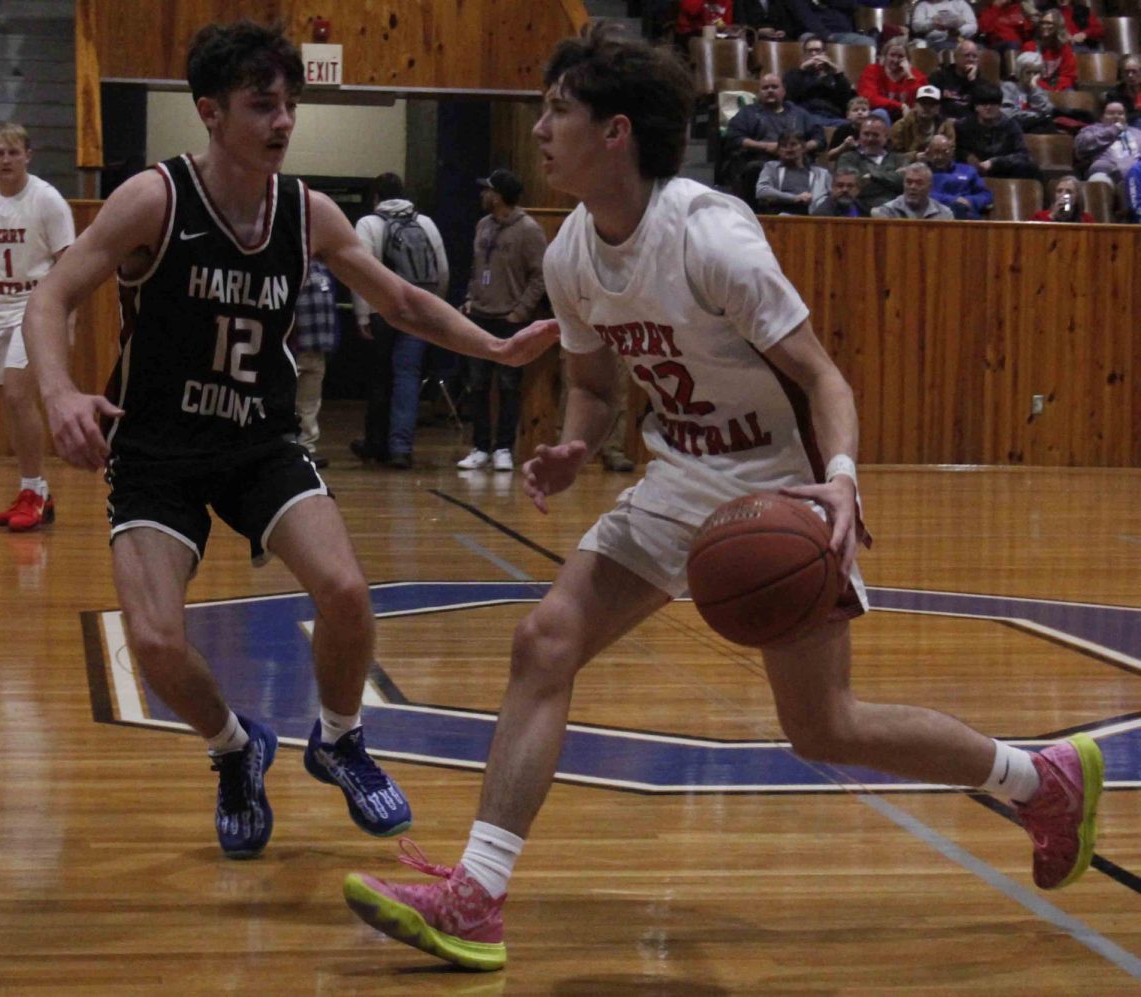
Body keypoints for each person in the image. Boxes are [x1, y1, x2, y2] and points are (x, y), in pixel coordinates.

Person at [343, 25, 1104, 972]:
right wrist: (576, 442)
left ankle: (1039, 777)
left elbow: (823, 379)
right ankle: (477, 895)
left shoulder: (712, 239)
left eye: (557, 111)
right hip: (677, 481)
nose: (538, 128)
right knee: (545, 639)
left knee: (824, 726)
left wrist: (840, 480)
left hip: (779, 492)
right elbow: (594, 385)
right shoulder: (572, 253)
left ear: (616, 131)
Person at [21, 21, 557, 861]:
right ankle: (235, 746)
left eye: (290, 105)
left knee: (346, 590)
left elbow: (403, 302)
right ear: (209, 112)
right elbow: (49, 298)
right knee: (156, 640)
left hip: (260, 440)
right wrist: (59, 392)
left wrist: (492, 347)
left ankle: (338, 738)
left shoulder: (307, 211)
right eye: (261, 104)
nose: (282, 121)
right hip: (157, 449)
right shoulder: (155, 200)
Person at [0, 123, 75, 531]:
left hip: (38, 303)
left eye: (13, 152)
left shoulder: (47, 201)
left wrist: (66, 321)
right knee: (11, 400)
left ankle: (33, 492)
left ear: (28, 155)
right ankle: (37, 488)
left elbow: (71, 266)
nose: (6, 160)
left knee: (20, 395)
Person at [350, 171, 449, 470]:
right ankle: (401, 449)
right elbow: (442, 270)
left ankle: (375, 444)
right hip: (417, 314)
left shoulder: (369, 224)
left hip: (383, 310)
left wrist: (362, 313)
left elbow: (359, 272)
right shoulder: (426, 223)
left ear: (376, 197)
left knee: (380, 378)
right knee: (408, 376)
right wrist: (435, 307)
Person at [454, 168, 548, 473]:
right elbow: (475, 267)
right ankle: (480, 446)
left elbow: (539, 275)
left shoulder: (529, 230)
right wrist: (470, 298)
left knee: (508, 385)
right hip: (479, 315)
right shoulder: (482, 225)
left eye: (488, 190)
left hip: (509, 318)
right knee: (477, 385)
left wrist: (519, 312)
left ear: (499, 196)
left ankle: (504, 447)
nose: (483, 195)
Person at [723, 73, 824, 205]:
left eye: (774, 87)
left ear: (783, 91)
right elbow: (734, 137)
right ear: (759, 92)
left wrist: (799, 149)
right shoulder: (748, 113)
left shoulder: (800, 113)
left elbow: (819, 139)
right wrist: (765, 146)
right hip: (761, 161)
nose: (770, 90)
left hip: (799, 163)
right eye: (765, 88)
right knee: (752, 169)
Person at [291, 259, 338, 469]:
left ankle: (307, 449)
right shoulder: (290, 266)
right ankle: (285, 447)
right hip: (294, 349)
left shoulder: (323, 269)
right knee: (285, 400)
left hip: (317, 349)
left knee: (310, 403)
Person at [955, 83, 1043, 180]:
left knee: (1030, 168)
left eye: (993, 103)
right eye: (984, 103)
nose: (988, 107)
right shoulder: (964, 126)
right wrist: (967, 157)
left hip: (1003, 171)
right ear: (976, 107)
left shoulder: (1011, 125)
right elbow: (958, 150)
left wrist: (994, 163)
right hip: (971, 172)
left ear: (1000, 105)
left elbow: (1022, 155)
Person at [837, 114, 908, 211]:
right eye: (866, 134)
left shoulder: (899, 159)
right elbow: (853, 187)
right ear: (860, 135)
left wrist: (871, 176)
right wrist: (892, 179)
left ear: (886, 136)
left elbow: (904, 184)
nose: (870, 139)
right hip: (859, 211)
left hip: (895, 211)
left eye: (875, 135)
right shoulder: (847, 158)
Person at [782, 35, 857, 128]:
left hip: (833, 117)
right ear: (804, 55)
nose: (814, 54)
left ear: (824, 54)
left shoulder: (835, 75)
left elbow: (846, 100)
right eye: (810, 51)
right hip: (806, 117)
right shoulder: (794, 74)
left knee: (850, 127)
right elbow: (788, 98)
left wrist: (836, 72)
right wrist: (802, 70)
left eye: (818, 50)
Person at [755, 131, 831, 214]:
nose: (788, 149)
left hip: (813, 218)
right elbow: (761, 191)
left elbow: (832, 197)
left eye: (793, 144)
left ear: (803, 148)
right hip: (779, 216)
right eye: (784, 146)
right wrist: (795, 198)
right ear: (779, 150)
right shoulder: (771, 167)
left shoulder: (821, 173)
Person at [857, 38, 927, 123]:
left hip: (907, 120)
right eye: (892, 55)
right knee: (880, 113)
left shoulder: (917, 76)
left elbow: (920, 103)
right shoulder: (872, 70)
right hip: (878, 119)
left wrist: (909, 76)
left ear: (908, 59)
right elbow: (870, 99)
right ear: (885, 56)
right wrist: (900, 106)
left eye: (900, 56)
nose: (895, 60)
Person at [924, 133, 994, 218]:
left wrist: (970, 201)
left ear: (952, 151)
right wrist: (953, 200)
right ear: (928, 152)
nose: (940, 157)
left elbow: (986, 195)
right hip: (935, 217)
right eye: (936, 152)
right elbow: (922, 194)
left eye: (945, 152)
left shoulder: (968, 171)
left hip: (966, 216)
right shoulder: (923, 172)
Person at [1075, 100, 1141, 188]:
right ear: (1102, 117)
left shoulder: (1137, 133)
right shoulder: (1092, 130)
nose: (1116, 116)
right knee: (1097, 180)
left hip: (1136, 174)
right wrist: (1113, 130)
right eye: (1111, 113)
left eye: (1120, 113)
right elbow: (1081, 145)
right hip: (1105, 173)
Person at [890, 84, 955, 160]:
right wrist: (914, 157)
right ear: (915, 105)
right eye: (923, 103)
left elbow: (951, 151)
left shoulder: (946, 126)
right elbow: (893, 157)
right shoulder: (900, 126)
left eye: (931, 104)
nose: (927, 108)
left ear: (938, 108)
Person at [928, 39, 987, 120]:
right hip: (945, 122)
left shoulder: (981, 82)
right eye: (967, 55)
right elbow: (929, 103)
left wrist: (973, 80)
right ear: (956, 57)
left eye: (974, 56)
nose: (971, 59)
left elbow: (984, 107)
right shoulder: (939, 77)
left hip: (970, 125)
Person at [871, 161, 954, 218]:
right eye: (909, 182)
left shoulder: (944, 214)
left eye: (919, 183)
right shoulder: (888, 211)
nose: (913, 187)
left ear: (930, 187)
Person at [1000, 51, 1056, 134]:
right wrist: (1033, 115)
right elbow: (1007, 113)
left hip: (1036, 126)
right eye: (1028, 72)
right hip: (1016, 127)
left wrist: (1034, 89)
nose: (1032, 77)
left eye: (1036, 73)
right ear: (1020, 72)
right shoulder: (1009, 87)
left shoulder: (1038, 90)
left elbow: (1048, 111)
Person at [1023, 11, 1077, 91]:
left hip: (1058, 88)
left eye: (1049, 23)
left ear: (1058, 26)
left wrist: (1058, 89)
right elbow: (1029, 76)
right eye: (1042, 23)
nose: (1044, 26)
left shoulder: (1065, 49)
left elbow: (1068, 75)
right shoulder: (1030, 47)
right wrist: (1048, 90)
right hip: (1037, 87)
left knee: (1070, 91)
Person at [909, 0, 977, 51]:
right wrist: (933, 24)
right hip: (933, 41)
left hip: (959, 39)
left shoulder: (960, 3)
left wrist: (959, 31)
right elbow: (916, 26)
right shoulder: (923, 6)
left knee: (976, 48)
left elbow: (973, 25)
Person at [825, 94, 871, 163]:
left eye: (864, 110)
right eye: (855, 110)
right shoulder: (842, 130)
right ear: (848, 115)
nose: (860, 112)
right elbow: (830, 156)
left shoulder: (872, 131)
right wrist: (844, 146)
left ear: (869, 114)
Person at [1029, 173, 1095, 220]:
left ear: (1077, 198)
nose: (1063, 195)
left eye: (1069, 192)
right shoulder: (1039, 217)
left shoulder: (1086, 220)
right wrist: (1053, 215)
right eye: (1059, 191)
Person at [1105, 55, 1141, 127]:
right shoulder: (1114, 94)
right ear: (1121, 74)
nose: (1130, 75)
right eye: (1126, 72)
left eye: (1134, 71)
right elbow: (1116, 118)